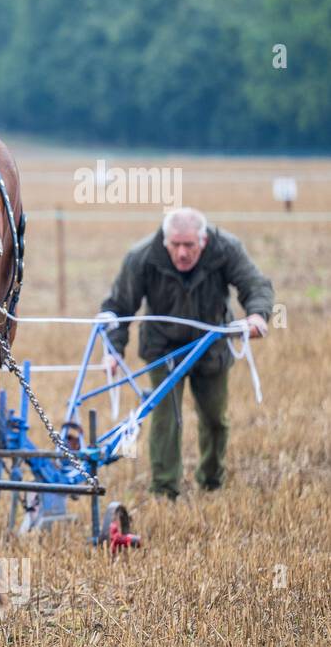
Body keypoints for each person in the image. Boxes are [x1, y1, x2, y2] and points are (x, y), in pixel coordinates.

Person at [99, 207, 273, 499]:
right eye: (175, 245)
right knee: (166, 419)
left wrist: (257, 315)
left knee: (215, 418)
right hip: (163, 348)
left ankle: (211, 481)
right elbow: (118, 307)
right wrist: (113, 351)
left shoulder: (225, 249)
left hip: (211, 346)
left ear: (202, 242)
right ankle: (165, 489)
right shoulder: (142, 257)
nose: (181, 253)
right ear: (165, 242)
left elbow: (256, 284)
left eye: (189, 245)